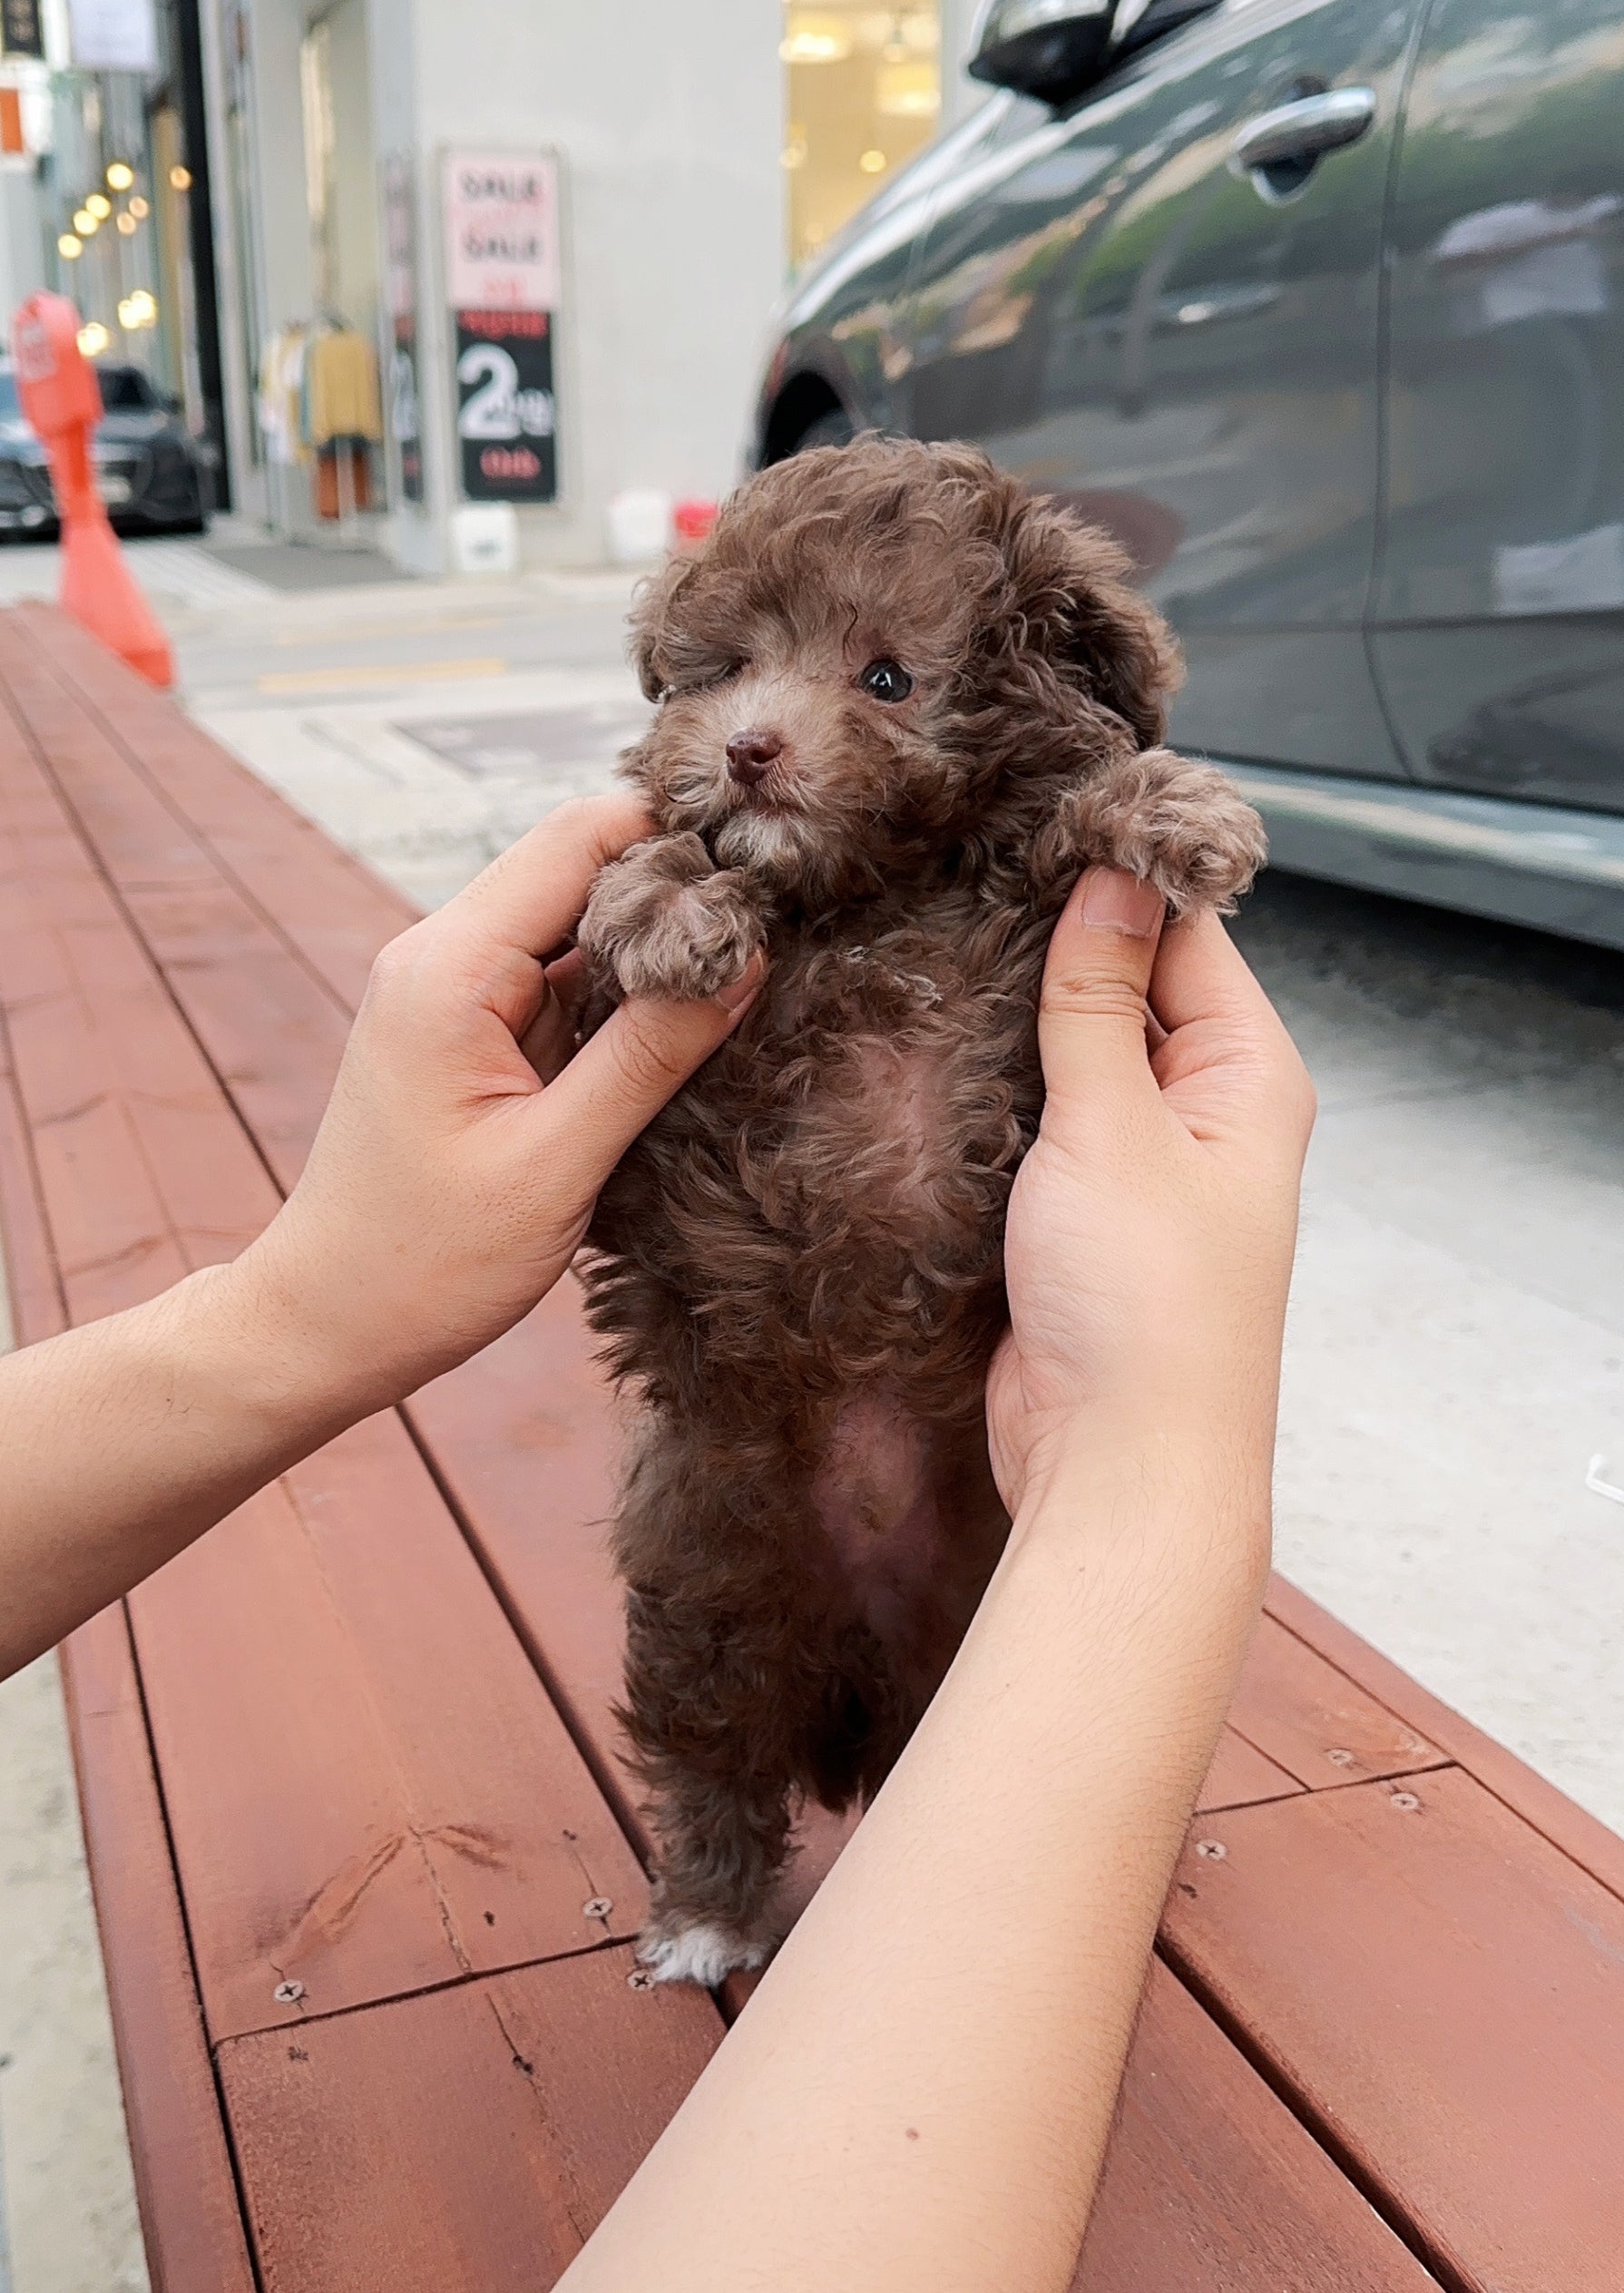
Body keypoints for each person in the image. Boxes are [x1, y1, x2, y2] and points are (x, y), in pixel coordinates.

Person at [0, 795, 1314, 2293]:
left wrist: (297, 1313)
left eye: (883, 673)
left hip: (950, 1440)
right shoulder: (713, 881)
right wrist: (1160, 1484)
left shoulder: (1025, 851)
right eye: (719, 670)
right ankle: (712, 1882)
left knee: (932, 1660)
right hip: (754, 1442)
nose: (762, 728)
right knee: (711, 1678)